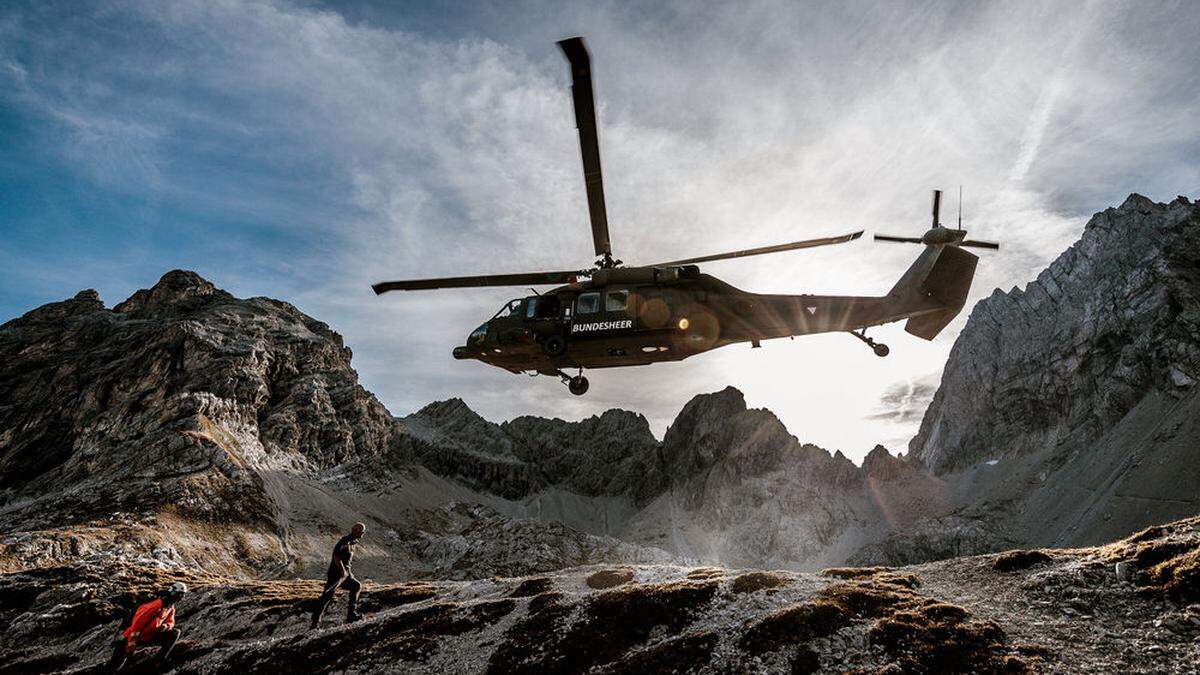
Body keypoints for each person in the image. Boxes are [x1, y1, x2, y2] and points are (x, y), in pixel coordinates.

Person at [108, 581, 186, 672]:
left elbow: (171, 622)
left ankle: (159, 660)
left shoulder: (170, 607)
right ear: (173, 593)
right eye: (180, 595)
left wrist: (166, 626)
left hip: (149, 636)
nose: (181, 598)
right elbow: (137, 624)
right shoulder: (157, 604)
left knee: (175, 633)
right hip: (133, 637)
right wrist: (131, 643)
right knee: (115, 664)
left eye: (182, 596)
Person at [310, 522, 366, 629]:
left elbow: (346, 560)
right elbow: (336, 556)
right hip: (337, 574)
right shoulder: (344, 541)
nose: (363, 533)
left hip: (346, 575)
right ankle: (315, 622)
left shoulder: (353, 542)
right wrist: (343, 571)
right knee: (327, 595)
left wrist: (348, 573)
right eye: (362, 531)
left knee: (356, 586)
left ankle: (351, 615)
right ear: (356, 530)